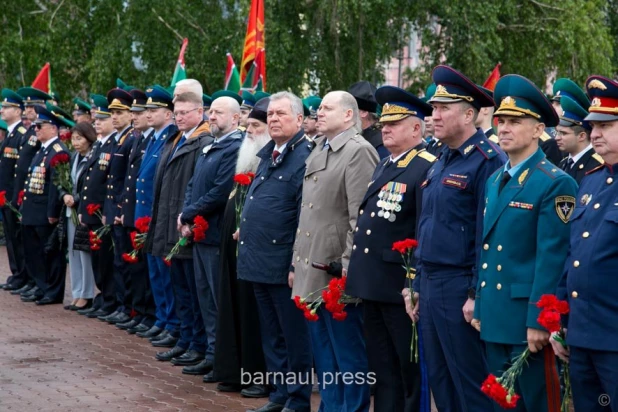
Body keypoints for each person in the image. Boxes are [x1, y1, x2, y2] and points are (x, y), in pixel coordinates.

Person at [472, 74, 578, 411]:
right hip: (495, 313)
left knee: (537, 402)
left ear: (538, 130)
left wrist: (539, 320)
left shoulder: (554, 182)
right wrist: (479, 299)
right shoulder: (494, 179)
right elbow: (486, 245)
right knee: (502, 404)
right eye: (501, 121)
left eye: (515, 122)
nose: (503, 128)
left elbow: (552, 257)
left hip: (525, 321)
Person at [410, 65, 506, 411]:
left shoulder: (487, 162)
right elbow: (428, 226)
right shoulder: (441, 160)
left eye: (442, 109)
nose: (433, 116)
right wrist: (417, 283)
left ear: (469, 114)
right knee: (440, 379)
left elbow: (487, 236)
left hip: (459, 286)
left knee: (471, 383)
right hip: (433, 282)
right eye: (433, 108)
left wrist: (474, 293)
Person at [346, 86, 436, 412]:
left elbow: (422, 230)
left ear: (416, 128)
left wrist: (413, 283)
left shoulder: (426, 166)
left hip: (399, 284)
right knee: (382, 368)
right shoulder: (386, 163)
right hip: (375, 281)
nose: (385, 128)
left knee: (409, 369)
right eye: (384, 123)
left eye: (395, 124)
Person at [291, 90, 377, 411]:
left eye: (327, 108)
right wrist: (295, 266)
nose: (319, 112)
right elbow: (309, 214)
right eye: (319, 108)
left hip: (336, 274)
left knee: (348, 358)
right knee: (325, 358)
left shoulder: (358, 152)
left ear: (349, 116)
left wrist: (348, 271)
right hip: (312, 269)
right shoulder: (319, 148)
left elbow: (359, 218)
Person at [237, 92, 314, 412]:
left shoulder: (306, 155)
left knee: (293, 334)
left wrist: (297, 262)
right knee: (272, 333)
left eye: (282, 114)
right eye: (270, 114)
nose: (273, 119)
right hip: (258, 259)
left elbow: (304, 214)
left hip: (283, 261)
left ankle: (297, 399)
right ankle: (280, 392)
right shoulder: (269, 153)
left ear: (299, 119)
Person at [553, 75, 618, 411]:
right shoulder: (592, 184)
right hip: (581, 337)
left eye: (606, 126)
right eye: (593, 126)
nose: (595, 134)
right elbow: (573, 256)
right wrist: (559, 322)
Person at [179, 95, 243, 380]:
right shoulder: (209, 145)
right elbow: (193, 184)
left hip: (216, 235)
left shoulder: (235, 147)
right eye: (211, 111)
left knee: (218, 300)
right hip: (200, 233)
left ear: (236, 118)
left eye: (219, 112)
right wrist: (186, 215)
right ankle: (211, 354)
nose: (212, 116)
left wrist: (190, 213)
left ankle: (224, 360)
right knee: (204, 297)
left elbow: (219, 192)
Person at [145, 92, 211, 359]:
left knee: (193, 294)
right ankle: (185, 338)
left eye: (185, 112)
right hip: (170, 224)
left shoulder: (203, 141)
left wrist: (189, 220)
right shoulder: (176, 139)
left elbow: (198, 187)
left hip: (186, 227)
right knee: (180, 289)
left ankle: (197, 344)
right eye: (177, 112)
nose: (179, 117)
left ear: (200, 112)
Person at [213, 97, 270, 397]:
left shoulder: (271, 159)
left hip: (258, 251)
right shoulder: (247, 156)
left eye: (256, 127)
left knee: (252, 315)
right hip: (234, 250)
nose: (249, 132)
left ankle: (256, 374)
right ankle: (233, 370)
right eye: (249, 127)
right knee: (232, 308)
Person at [135, 85, 180, 341]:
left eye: (154, 109)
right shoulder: (152, 138)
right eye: (148, 109)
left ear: (168, 113)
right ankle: (162, 318)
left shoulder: (170, 138)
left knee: (165, 273)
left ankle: (170, 322)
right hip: (146, 215)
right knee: (154, 271)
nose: (148, 113)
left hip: (158, 216)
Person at [115, 88, 157, 334]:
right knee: (136, 268)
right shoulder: (138, 139)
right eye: (136, 113)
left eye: (139, 113)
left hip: (144, 215)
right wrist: (123, 208)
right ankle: (139, 311)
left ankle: (147, 314)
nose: (135, 117)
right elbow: (130, 180)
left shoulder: (150, 139)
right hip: (133, 212)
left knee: (144, 268)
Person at [19, 103, 70, 305]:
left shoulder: (58, 151)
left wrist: (53, 213)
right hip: (32, 209)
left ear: (53, 128)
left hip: (45, 213)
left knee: (51, 254)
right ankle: (41, 286)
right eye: (36, 126)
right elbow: (30, 181)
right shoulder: (41, 151)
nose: (36, 129)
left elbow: (58, 186)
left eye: (40, 126)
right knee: (35, 252)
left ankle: (53, 291)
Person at [77, 94, 118, 319]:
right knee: (97, 260)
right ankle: (103, 296)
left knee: (106, 260)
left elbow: (108, 183)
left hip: (102, 213)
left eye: (104, 118)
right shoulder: (100, 145)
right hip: (92, 213)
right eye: (97, 119)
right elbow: (88, 182)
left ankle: (109, 299)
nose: (98, 122)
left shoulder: (113, 144)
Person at [98, 87, 136, 325]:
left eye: (120, 112)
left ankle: (128, 308)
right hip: (114, 209)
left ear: (131, 114)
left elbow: (127, 181)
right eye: (112, 112)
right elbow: (111, 180)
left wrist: (120, 209)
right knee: (118, 262)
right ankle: (123, 305)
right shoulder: (117, 139)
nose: (114, 116)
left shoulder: (131, 139)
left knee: (126, 262)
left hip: (123, 210)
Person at [8, 87, 47, 298]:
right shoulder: (29, 132)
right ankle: (27, 277)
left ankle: (32, 279)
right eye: (28, 106)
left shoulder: (34, 132)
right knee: (22, 240)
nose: (29, 110)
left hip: (34, 196)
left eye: (33, 106)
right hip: (22, 194)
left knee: (34, 244)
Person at [61, 122, 97, 310]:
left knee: (84, 252)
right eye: (73, 138)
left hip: (84, 210)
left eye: (79, 138)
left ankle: (87, 293)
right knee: (73, 252)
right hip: (71, 210)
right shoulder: (73, 157)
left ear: (89, 138)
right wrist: (65, 195)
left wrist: (75, 198)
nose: (75, 142)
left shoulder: (93, 157)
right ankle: (76, 292)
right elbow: (65, 181)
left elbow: (90, 186)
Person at [0, 89, 30, 291]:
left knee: (18, 238)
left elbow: (20, 170)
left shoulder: (21, 134)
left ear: (18, 111)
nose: (2, 110)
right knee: (11, 236)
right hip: (5, 194)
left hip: (13, 195)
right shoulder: (11, 134)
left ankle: (23, 275)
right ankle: (16, 273)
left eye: (6, 107)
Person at [555, 96, 602, 184]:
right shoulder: (564, 163)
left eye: (564, 133)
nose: (557, 138)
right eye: (557, 132)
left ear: (581, 136)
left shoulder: (597, 164)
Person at [348, 80, 389, 158]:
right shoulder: (354, 135)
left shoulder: (380, 143)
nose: (346, 115)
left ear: (363, 112)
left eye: (350, 110)